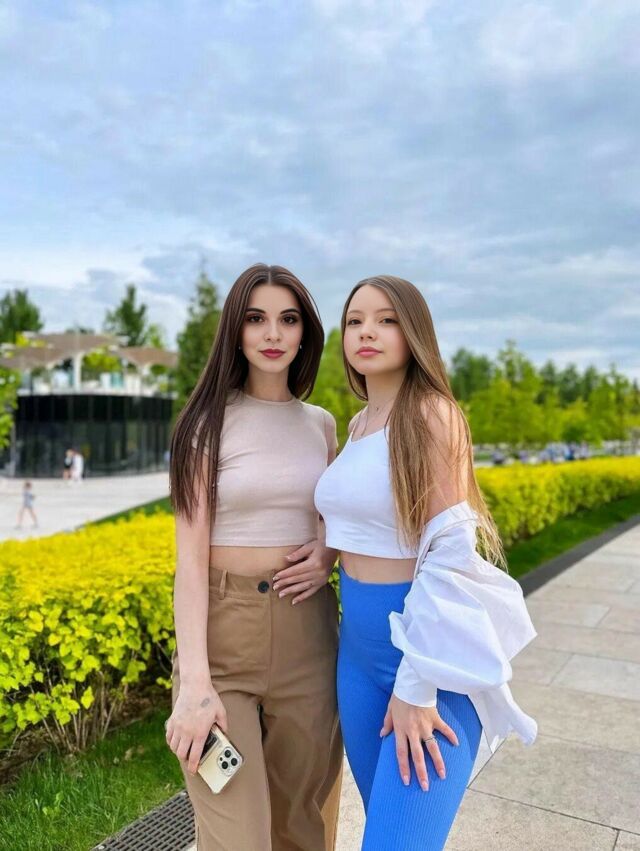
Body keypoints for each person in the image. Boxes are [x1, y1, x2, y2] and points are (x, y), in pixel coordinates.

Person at [314, 276, 537, 850]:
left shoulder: (433, 415)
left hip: (426, 658)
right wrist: (322, 553)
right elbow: (361, 520)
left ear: (414, 332)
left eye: (386, 319)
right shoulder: (359, 425)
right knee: (385, 828)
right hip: (357, 659)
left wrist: (417, 686)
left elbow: (449, 552)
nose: (366, 331)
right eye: (355, 321)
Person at [165, 263, 343, 851]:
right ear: (235, 331)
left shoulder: (322, 426)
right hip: (223, 644)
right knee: (236, 837)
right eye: (256, 319)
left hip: (308, 636)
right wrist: (195, 683)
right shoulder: (204, 426)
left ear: (304, 332)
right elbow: (190, 564)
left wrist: (327, 554)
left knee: (302, 828)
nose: (273, 334)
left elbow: (334, 518)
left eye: (288, 320)